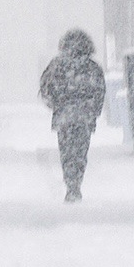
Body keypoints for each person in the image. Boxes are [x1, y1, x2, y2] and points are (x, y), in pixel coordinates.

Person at [39, 29, 107, 202]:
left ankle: (71, 183)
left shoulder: (57, 65)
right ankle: (76, 182)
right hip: (84, 116)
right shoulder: (92, 67)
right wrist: (94, 111)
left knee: (67, 152)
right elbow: (100, 91)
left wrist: (55, 104)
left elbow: (45, 88)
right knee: (80, 152)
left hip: (64, 116)